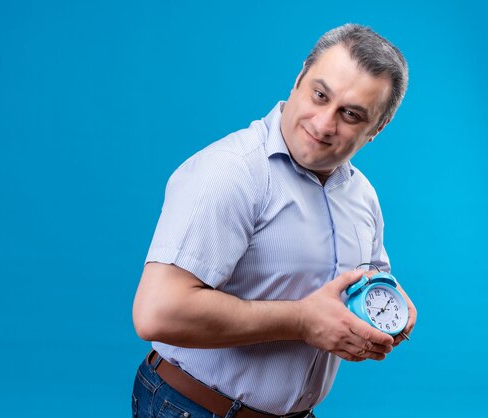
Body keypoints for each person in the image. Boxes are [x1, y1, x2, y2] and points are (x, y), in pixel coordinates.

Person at [131, 24, 417, 418]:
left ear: (376, 129)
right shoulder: (230, 172)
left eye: (350, 115)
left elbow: (371, 279)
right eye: (320, 95)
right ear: (299, 78)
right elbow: (157, 312)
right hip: (193, 409)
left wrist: (394, 312)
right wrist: (302, 321)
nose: (323, 124)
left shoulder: (361, 194)